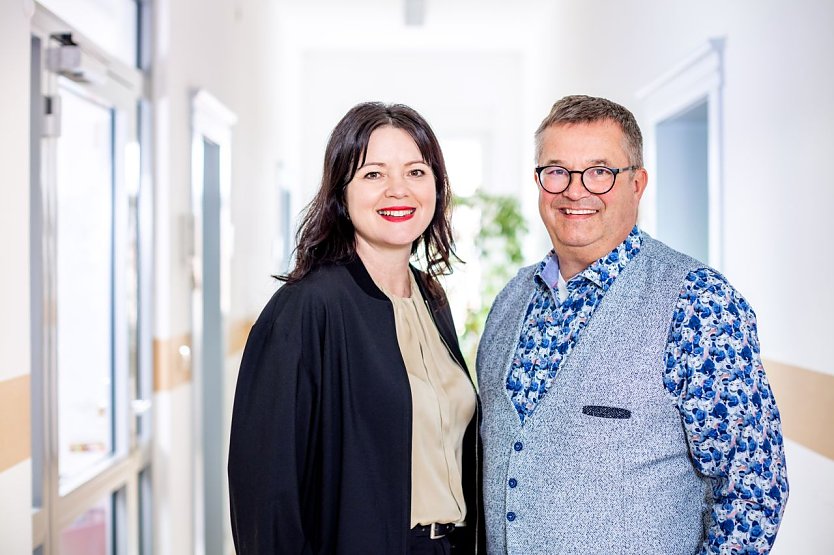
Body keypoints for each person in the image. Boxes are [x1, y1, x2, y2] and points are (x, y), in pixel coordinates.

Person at [477, 95, 788, 554]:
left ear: (637, 184)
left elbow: (753, 488)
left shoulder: (699, 303)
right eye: (557, 170)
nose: (575, 190)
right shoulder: (509, 302)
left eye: (600, 171)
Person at [228, 102, 481, 554]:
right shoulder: (307, 308)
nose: (398, 190)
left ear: (437, 188)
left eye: (416, 172)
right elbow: (266, 494)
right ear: (340, 191)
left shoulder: (431, 299)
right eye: (373, 174)